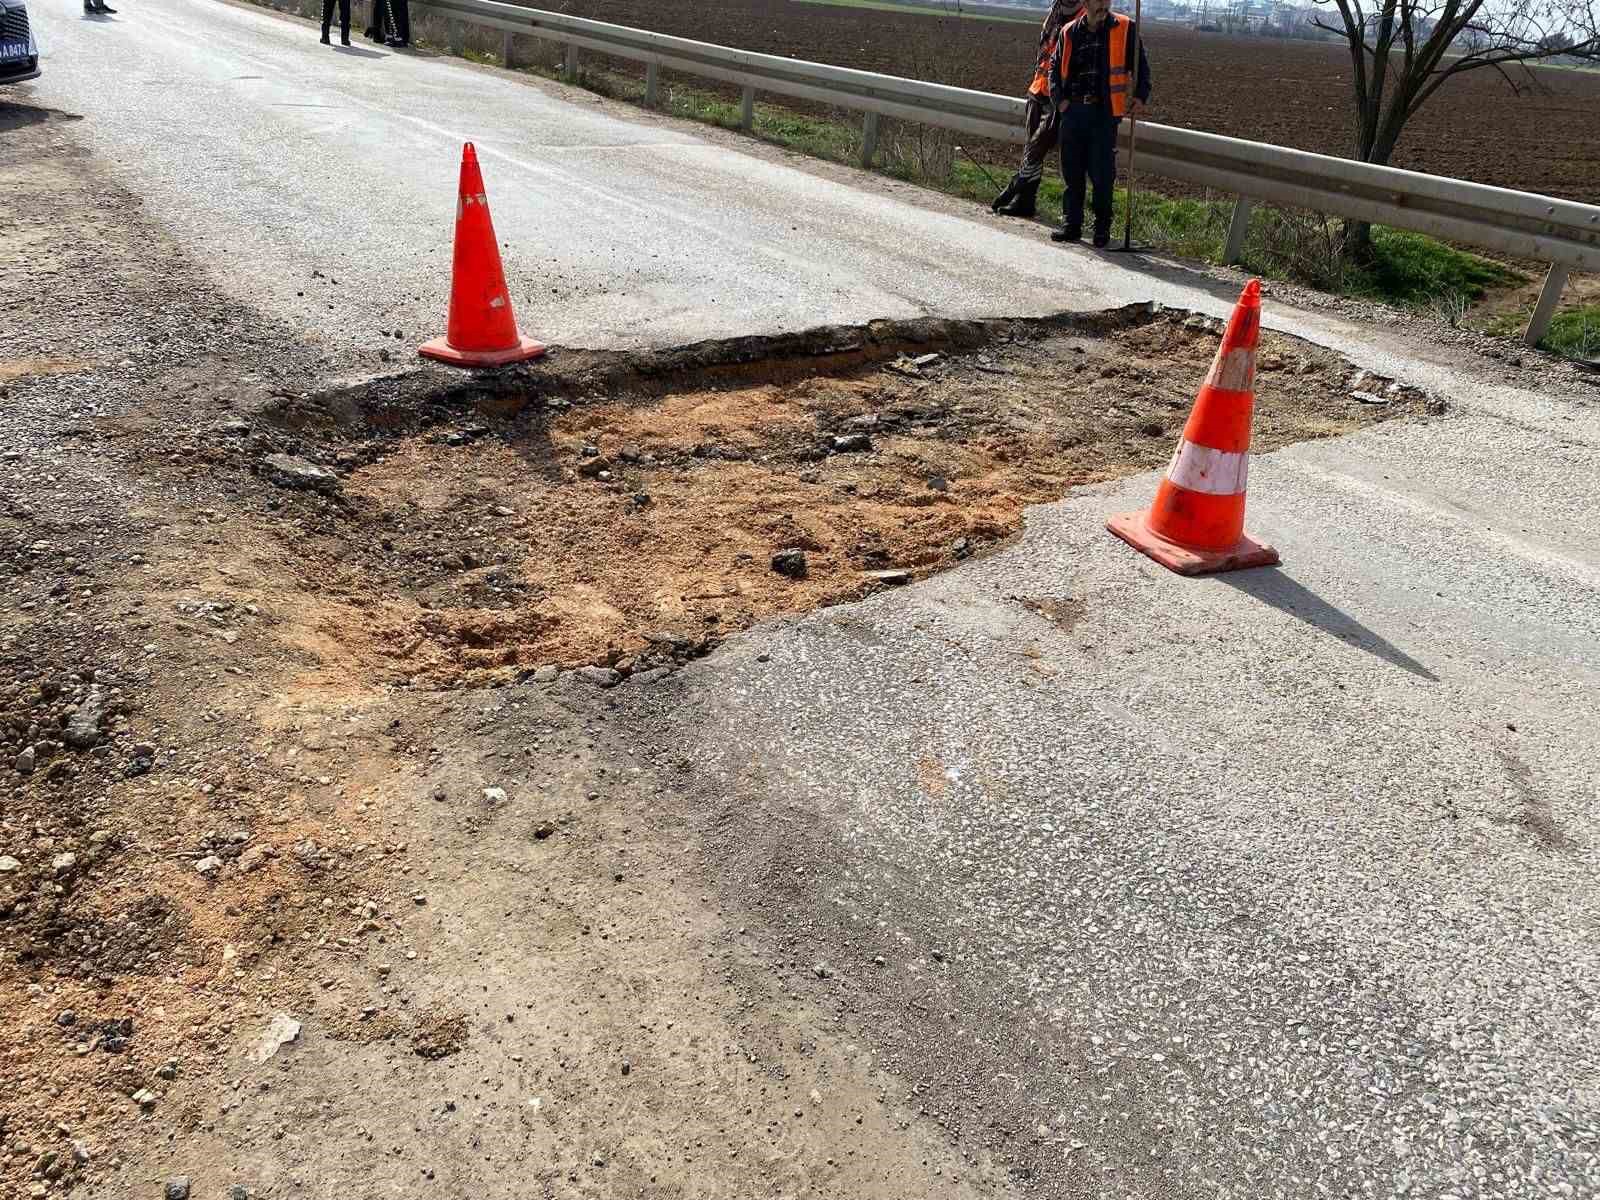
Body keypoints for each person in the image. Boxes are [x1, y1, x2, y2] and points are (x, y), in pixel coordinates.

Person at [1047, 0, 1151, 248]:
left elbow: (1141, 67)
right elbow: (1053, 68)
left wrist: (1140, 95)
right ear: (1085, 2)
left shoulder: (1125, 27)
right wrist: (1060, 102)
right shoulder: (1068, 31)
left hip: (1104, 114)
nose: (1104, 4)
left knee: (1102, 175)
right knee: (1072, 173)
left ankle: (1101, 229)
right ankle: (1072, 226)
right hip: (1073, 112)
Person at [991, 0, 1081, 220]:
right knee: (1032, 144)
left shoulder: (1083, 17)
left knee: (1037, 145)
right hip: (1038, 88)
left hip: (1059, 94)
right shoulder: (1054, 12)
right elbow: (1043, 51)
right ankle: (1025, 202)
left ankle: (1017, 182)